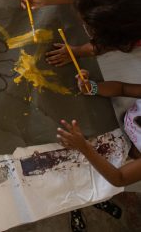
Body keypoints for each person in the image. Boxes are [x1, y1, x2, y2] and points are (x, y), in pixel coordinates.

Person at [58, 72, 141, 230]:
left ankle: (83, 203)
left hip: (121, 164)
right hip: (115, 132)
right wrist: (93, 87)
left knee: (83, 183)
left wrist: (84, 147)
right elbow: (123, 88)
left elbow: (120, 177)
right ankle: (79, 204)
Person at [22, 0, 141, 66]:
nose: (80, 19)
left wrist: (76, 52)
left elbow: (102, 47)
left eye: (87, 23)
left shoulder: (128, 35)